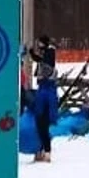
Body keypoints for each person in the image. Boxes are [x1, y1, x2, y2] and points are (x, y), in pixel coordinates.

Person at [28, 35, 58, 163]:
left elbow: (45, 62)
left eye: (41, 44)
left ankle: (46, 151)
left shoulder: (50, 54)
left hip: (45, 98)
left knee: (42, 126)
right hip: (43, 96)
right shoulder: (46, 55)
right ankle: (41, 150)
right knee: (40, 126)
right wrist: (31, 53)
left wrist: (37, 54)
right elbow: (40, 59)